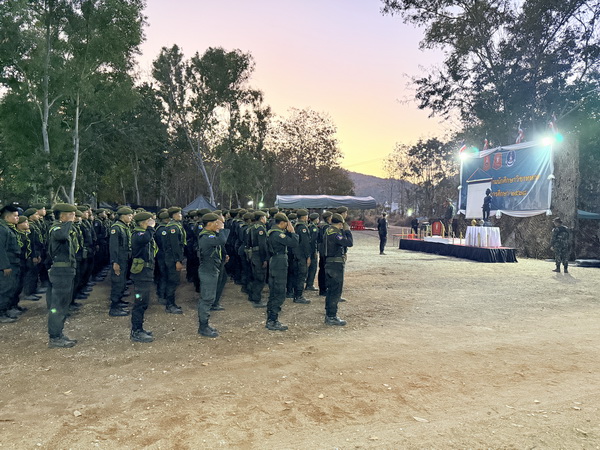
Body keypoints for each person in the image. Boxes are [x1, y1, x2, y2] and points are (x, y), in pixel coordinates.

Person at [46, 203, 79, 348]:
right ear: (62, 216)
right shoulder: (56, 228)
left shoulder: (64, 227)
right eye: (71, 214)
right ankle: (54, 337)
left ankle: (58, 333)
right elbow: (62, 236)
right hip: (60, 271)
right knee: (58, 305)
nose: (74, 217)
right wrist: (69, 222)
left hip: (67, 270)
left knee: (64, 304)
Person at [197, 213, 230, 337]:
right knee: (207, 298)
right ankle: (203, 327)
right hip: (208, 270)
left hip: (211, 269)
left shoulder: (210, 234)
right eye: (216, 222)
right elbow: (222, 240)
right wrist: (221, 228)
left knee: (209, 297)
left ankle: (205, 324)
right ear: (210, 224)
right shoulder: (206, 236)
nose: (218, 224)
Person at [266, 213, 298, 331]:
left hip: (275, 261)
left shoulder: (272, 232)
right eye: (286, 223)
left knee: (274, 290)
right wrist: (292, 232)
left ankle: (271, 317)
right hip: (279, 262)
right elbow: (294, 243)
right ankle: (272, 320)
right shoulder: (277, 234)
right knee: (279, 291)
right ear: (283, 223)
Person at [129, 212, 157, 343]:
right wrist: (151, 228)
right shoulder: (138, 234)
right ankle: (136, 331)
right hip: (141, 273)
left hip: (146, 272)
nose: (151, 222)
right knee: (140, 302)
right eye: (148, 221)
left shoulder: (143, 233)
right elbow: (145, 238)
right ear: (142, 222)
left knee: (143, 302)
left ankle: (139, 328)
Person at [323, 213, 353, 325]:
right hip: (335, 265)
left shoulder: (328, 231)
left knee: (330, 290)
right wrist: (347, 231)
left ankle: (329, 314)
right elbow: (349, 243)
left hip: (328, 263)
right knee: (335, 291)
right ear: (340, 224)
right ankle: (331, 316)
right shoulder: (335, 234)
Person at [109, 206, 134, 317]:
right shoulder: (116, 228)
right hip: (119, 260)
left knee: (122, 282)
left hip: (124, 259)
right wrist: (115, 262)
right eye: (129, 215)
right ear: (123, 216)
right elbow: (113, 247)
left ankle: (118, 302)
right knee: (117, 282)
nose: (131, 217)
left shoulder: (124, 227)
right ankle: (114, 308)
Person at [0, 205, 22, 323]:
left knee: (11, 287)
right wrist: (5, 266)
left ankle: (7, 309)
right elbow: (1, 249)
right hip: (7, 264)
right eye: (15, 216)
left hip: (13, 262)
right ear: (7, 217)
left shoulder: (9, 228)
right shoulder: (2, 229)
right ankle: (1, 313)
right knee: (5, 289)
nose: (17, 218)